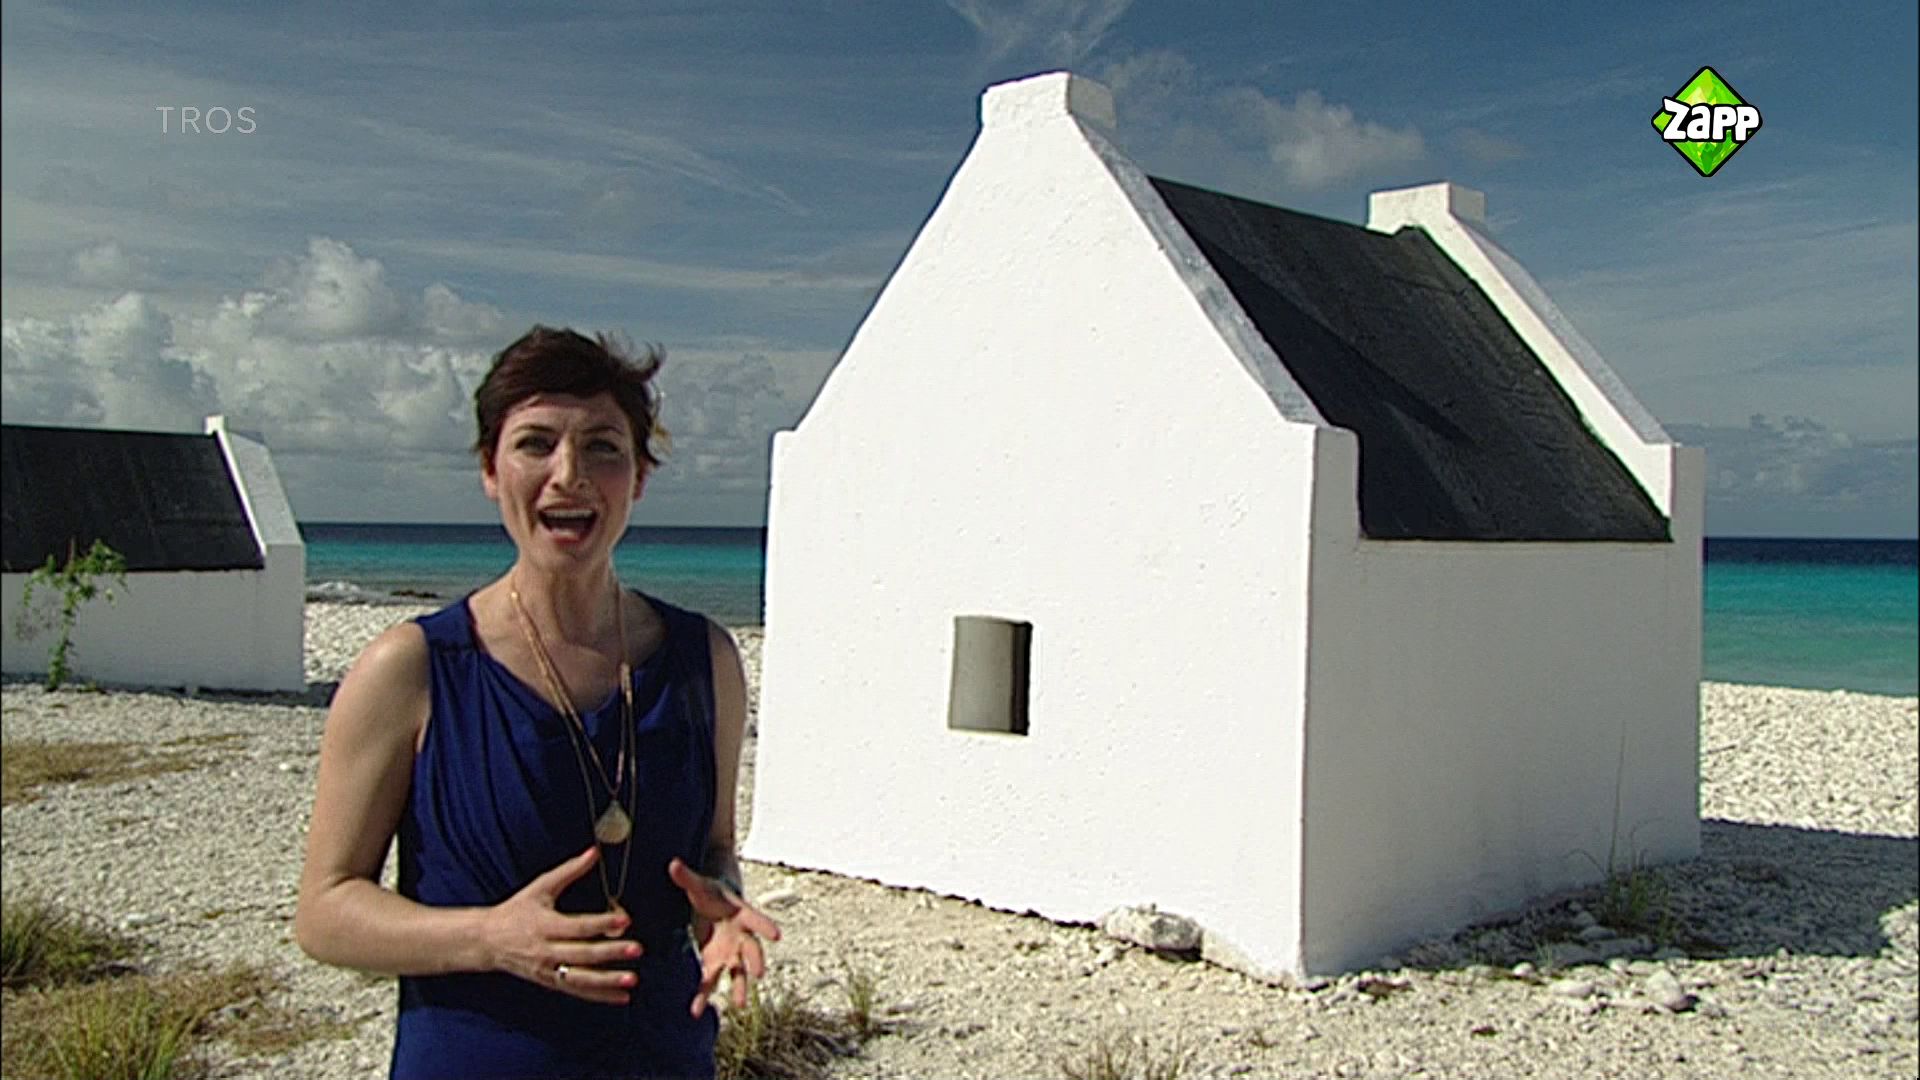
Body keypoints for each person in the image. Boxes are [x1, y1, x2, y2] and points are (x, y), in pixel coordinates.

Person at [294, 326, 781, 1080]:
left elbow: (714, 848)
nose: (569, 475)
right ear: (491, 470)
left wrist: (720, 909)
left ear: (639, 478)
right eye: (535, 444)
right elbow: (324, 912)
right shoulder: (412, 669)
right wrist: (489, 938)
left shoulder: (704, 661)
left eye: (602, 448)